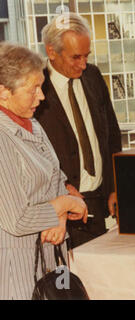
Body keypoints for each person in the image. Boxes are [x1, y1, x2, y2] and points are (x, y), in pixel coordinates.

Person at [0, 42, 88, 299]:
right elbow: (17, 220)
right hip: (15, 273)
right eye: (34, 89)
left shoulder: (33, 125)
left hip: (48, 262)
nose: (42, 96)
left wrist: (60, 218)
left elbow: (56, 178)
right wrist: (66, 202)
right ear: (3, 92)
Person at [34, 13, 122, 249]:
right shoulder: (35, 88)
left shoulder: (92, 76)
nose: (83, 64)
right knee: (67, 281)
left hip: (99, 201)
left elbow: (112, 135)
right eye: (75, 57)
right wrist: (59, 188)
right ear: (51, 51)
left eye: (86, 56)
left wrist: (115, 186)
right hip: (62, 204)